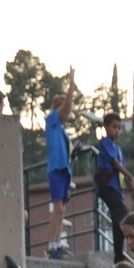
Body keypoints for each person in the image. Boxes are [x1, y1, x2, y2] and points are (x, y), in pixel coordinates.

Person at [42, 77, 77, 257]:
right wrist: (71, 84)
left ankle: (57, 243)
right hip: (56, 168)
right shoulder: (51, 120)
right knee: (57, 208)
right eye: (66, 110)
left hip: (64, 169)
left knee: (61, 209)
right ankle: (51, 246)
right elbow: (67, 104)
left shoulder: (62, 131)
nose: (68, 113)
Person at [91, 110, 133, 254]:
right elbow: (115, 163)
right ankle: (132, 233)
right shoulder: (104, 143)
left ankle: (119, 255)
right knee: (122, 213)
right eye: (114, 127)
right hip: (107, 186)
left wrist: (127, 180)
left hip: (116, 187)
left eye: (119, 128)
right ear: (106, 127)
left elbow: (121, 166)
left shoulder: (118, 148)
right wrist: (129, 176)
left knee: (117, 220)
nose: (117, 131)